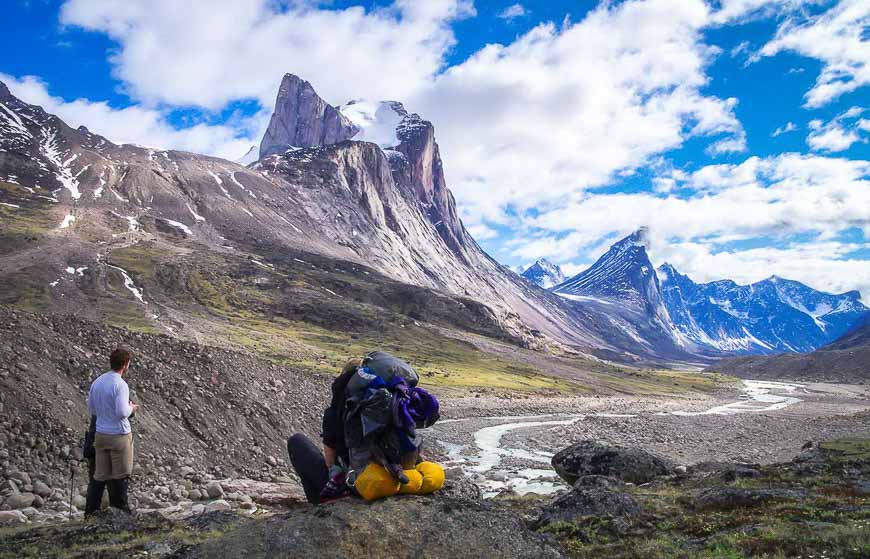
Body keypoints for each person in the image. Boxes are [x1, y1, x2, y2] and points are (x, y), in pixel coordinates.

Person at [287, 352, 445, 504]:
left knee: (297, 442)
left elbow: (329, 461)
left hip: (359, 483)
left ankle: (317, 503)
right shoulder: (392, 404)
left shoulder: (337, 410)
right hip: (399, 474)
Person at [84, 348, 138, 515]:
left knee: (100, 476)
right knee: (121, 474)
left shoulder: (98, 382)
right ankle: (120, 512)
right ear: (125, 365)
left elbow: (91, 407)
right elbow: (122, 412)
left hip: (100, 434)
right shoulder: (120, 385)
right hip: (119, 435)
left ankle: (90, 512)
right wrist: (132, 407)